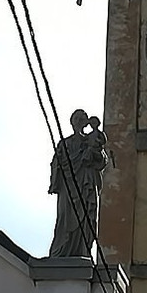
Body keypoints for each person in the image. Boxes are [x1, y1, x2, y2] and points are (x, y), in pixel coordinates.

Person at [48, 109, 107, 258]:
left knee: (86, 218)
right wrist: (56, 173)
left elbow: (101, 160)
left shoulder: (90, 141)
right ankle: (61, 251)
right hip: (68, 187)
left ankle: (82, 251)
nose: (78, 123)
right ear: (72, 122)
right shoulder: (65, 143)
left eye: (81, 120)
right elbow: (56, 163)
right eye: (76, 120)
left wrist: (93, 151)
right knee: (64, 217)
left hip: (86, 184)